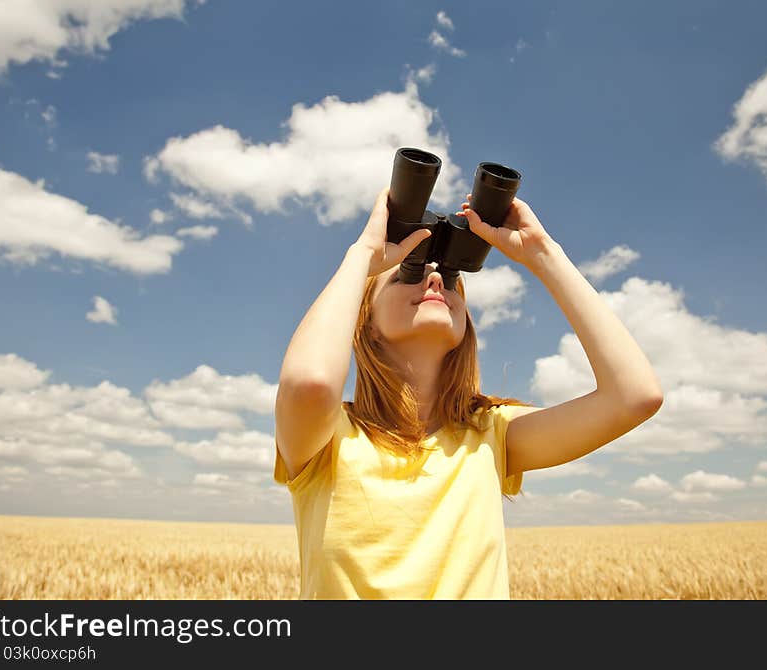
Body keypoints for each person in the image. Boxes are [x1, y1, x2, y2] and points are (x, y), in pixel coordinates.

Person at [273, 185, 664, 599]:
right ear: (365, 321)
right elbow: (310, 383)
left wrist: (543, 253)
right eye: (409, 271)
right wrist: (363, 256)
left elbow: (634, 396)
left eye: (451, 276)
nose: (437, 277)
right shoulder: (328, 438)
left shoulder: (491, 434)